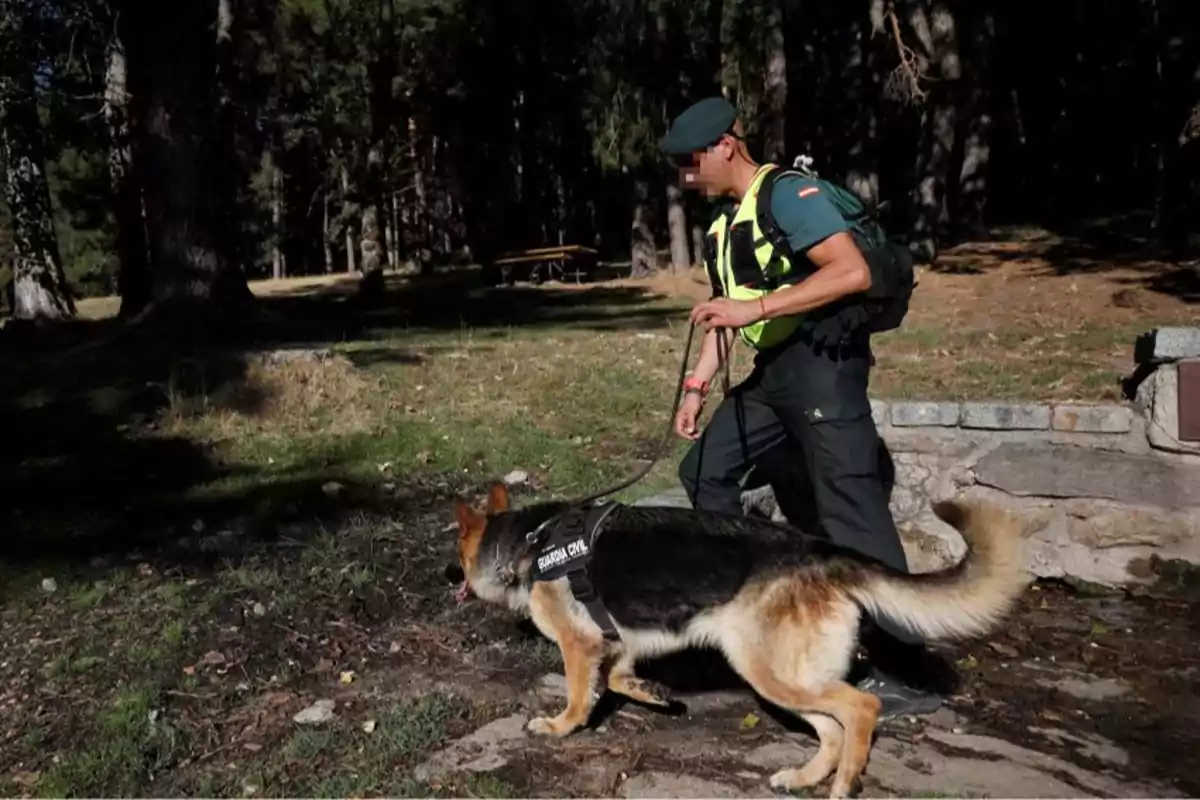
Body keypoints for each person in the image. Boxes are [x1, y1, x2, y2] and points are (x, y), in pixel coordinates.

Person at [660, 96, 948, 719]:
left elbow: (850, 272)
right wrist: (695, 387)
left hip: (825, 369)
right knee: (704, 473)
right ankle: (750, 611)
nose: (685, 176)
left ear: (726, 146)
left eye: (690, 161)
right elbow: (720, 313)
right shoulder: (722, 227)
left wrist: (754, 310)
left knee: (853, 513)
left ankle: (910, 671)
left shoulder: (787, 194)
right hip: (774, 377)